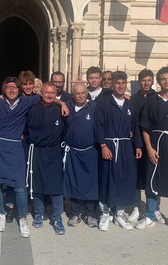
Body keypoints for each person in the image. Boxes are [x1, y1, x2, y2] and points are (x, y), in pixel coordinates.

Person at [0, 77, 69, 238]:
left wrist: (63, 103)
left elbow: (48, 97)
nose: (11, 90)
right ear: (4, 89)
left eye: (14, 87)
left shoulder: (26, 101)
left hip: (16, 148)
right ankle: (1, 215)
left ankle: (22, 219)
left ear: (19, 90)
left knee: (20, 186)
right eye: (8, 87)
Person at [95, 71, 142, 231]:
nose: (120, 86)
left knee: (123, 179)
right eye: (117, 83)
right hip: (108, 145)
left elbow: (134, 127)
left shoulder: (130, 105)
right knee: (106, 179)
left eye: (123, 83)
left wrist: (137, 146)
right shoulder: (103, 102)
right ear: (112, 84)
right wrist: (103, 146)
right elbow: (98, 125)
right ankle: (105, 213)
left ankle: (119, 213)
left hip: (125, 147)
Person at [136, 66, 168, 230]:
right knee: (152, 181)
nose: (166, 81)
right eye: (163, 78)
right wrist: (149, 149)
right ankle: (151, 214)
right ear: (158, 81)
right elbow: (145, 127)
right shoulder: (152, 101)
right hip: (156, 146)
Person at [25, 82, 65, 234]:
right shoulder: (33, 109)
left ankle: (57, 218)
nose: (49, 95)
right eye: (46, 92)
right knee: (37, 185)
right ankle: (38, 214)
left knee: (56, 187)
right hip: (37, 151)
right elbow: (28, 130)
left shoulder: (61, 109)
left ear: (56, 94)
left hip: (54, 152)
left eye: (52, 93)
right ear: (41, 92)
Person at [63, 82, 98, 228]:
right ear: (72, 94)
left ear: (87, 92)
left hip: (89, 151)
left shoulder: (94, 107)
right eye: (77, 93)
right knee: (74, 183)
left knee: (90, 184)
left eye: (83, 92)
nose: (80, 96)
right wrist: (61, 103)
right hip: (72, 152)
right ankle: (76, 213)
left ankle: (89, 214)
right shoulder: (67, 106)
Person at [128, 69, 161, 223]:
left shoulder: (158, 98)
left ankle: (155, 208)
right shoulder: (133, 99)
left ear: (153, 81)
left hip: (154, 143)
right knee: (136, 177)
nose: (146, 83)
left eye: (149, 80)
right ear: (139, 81)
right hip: (137, 144)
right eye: (143, 80)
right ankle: (135, 207)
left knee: (154, 177)